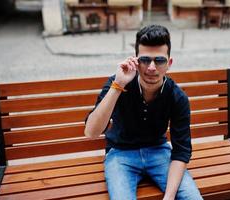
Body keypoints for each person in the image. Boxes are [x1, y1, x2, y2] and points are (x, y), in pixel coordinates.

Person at [84, 25, 203, 200]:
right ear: (135, 61)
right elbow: (91, 132)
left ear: (169, 63)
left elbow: (181, 151)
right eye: (145, 60)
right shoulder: (117, 83)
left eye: (160, 60)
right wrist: (118, 86)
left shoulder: (177, 96)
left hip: (159, 152)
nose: (152, 67)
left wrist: (169, 197)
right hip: (120, 154)